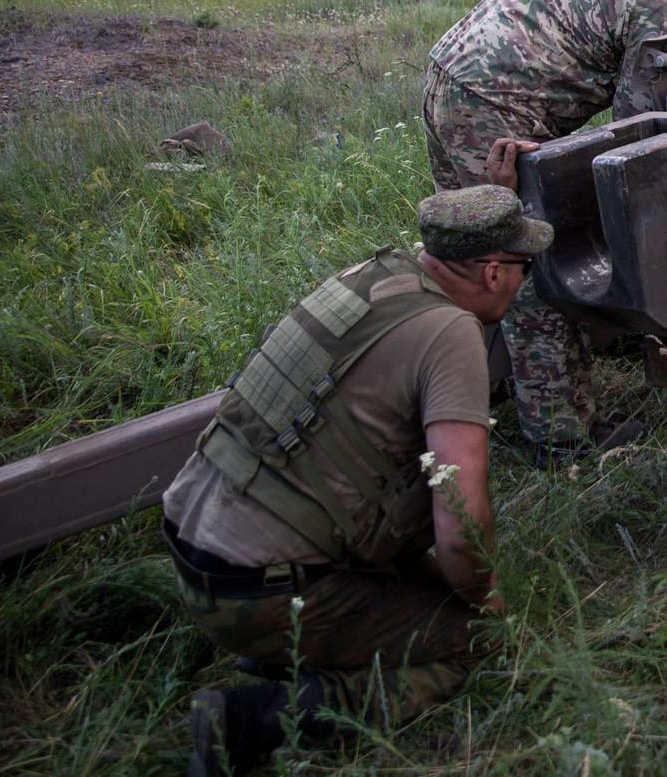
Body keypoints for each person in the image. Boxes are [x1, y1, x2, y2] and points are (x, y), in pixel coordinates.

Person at [162, 185, 553, 777]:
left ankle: (291, 651)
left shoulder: (372, 277)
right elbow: (459, 521)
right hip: (257, 593)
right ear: (493, 271)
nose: (526, 280)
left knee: (421, 590)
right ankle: (248, 722)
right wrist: (486, 599)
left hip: (199, 545)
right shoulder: (452, 333)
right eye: (525, 267)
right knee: (474, 642)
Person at [420, 0, 667, 460]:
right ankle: (561, 439)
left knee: (466, 251)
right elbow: (632, 126)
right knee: (524, 264)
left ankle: (465, 386)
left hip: (449, 74)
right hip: (490, 108)